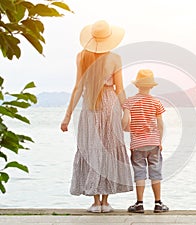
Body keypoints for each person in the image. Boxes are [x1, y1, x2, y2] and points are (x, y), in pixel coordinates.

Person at [60, 20, 133, 213]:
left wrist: (67, 116)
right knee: (109, 149)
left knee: (91, 149)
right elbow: (119, 89)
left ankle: (95, 202)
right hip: (110, 106)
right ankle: (106, 202)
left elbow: (77, 88)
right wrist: (127, 110)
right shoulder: (115, 58)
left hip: (90, 106)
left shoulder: (81, 56)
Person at [122, 69, 169, 213]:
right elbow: (160, 125)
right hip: (154, 143)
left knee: (139, 173)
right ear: (152, 86)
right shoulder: (156, 102)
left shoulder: (129, 102)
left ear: (137, 85)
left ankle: (139, 204)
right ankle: (158, 204)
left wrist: (130, 129)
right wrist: (159, 141)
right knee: (155, 172)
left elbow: (125, 123)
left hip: (137, 145)